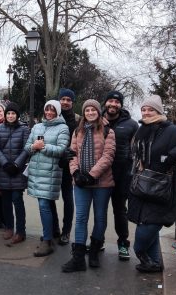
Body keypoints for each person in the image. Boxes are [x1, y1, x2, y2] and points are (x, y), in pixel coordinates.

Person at [129, 95, 176, 273]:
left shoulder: (172, 131)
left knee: (146, 231)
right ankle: (154, 263)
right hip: (141, 186)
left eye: (151, 110)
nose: (146, 113)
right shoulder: (142, 130)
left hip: (160, 188)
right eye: (144, 109)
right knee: (146, 225)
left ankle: (143, 256)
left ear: (159, 112)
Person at [62, 99, 116, 272]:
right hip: (80, 183)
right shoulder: (77, 131)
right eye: (87, 110)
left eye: (93, 110)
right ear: (84, 113)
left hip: (102, 183)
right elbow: (72, 154)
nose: (90, 113)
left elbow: (108, 156)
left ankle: (93, 251)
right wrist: (76, 173)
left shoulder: (108, 131)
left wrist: (92, 175)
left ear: (98, 112)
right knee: (81, 218)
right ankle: (78, 258)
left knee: (100, 218)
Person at [25, 100, 70, 257]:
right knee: (47, 203)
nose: (49, 113)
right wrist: (33, 147)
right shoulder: (37, 126)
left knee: (44, 204)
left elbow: (61, 150)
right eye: (47, 110)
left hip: (50, 172)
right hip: (36, 172)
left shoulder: (63, 128)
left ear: (57, 112)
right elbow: (27, 147)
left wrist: (42, 147)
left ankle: (47, 240)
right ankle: (52, 232)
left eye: (52, 110)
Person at [101, 90, 139, 260]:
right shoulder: (97, 121)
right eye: (110, 101)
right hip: (100, 173)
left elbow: (137, 150)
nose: (113, 104)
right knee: (99, 210)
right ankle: (97, 240)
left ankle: (123, 243)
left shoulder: (131, 125)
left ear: (121, 105)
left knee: (119, 211)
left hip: (122, 175)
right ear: (105, 103)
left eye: (117, 102)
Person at [0, 102, 30, 244]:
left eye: (13, 113)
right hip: (3, 170)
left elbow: (27, 148)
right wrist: (5, 163)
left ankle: (21, 231)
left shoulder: (24, 129)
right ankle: (9, 227)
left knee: (17, 200)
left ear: (17, 115)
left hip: (17, 171)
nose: (10, 116)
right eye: (8, 113)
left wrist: (16, 164)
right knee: (5, 201)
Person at [51, 88, 80, 245]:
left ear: (72, 102)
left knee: (68, 198)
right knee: (50, 197)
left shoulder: (78, 119)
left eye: (69, 100)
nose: (65, 102)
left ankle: (66, 231)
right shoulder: (52, 116)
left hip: (69, 164)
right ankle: (54, 227)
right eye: (63, 99)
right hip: (54, 161)